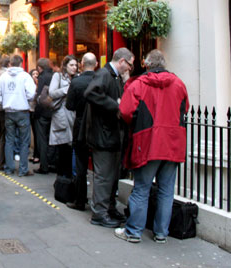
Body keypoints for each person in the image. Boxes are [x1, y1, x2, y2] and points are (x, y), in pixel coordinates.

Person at [114, 50, 189, 244]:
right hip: (173, 142)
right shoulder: (179, 83)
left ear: (146, 65)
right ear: (163, 64)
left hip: (148, 141)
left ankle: (133, 231)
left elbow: (126, 111)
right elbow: (185, 108)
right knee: (166, 190)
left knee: (141, 189)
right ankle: (161, 233)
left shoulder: (139, 84)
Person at [83, 47, 134, 228]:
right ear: (121, 61)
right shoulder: (104, 74)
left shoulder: (113, 77)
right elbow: (90, 93)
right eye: (129, 65)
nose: (129, 69)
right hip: (103, 135)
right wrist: (115, 106)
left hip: (110, 135)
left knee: (111, 176)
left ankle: (109, 209)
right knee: (104, 176)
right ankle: (99, 213)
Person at [0, 54, 37, 177]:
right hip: (22, 112)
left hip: (8, 112)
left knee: (9, 140)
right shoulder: (25, 76)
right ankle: (23, 169)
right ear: (21, 63)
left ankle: (9, 168)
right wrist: (24, 99)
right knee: (24, 141)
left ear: (10, 64)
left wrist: (5, 102)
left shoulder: (3, 77)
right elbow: (32, 93)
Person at [65, 52, 98, 211]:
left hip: (80, 125)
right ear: (96, 64)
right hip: (98, 126)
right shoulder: (101, 80)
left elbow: (69, 106)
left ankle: (80, 200)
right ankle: (99, 202)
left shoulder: (77, 82)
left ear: (82, 64)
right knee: (99, 167)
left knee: (80, 165)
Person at [48, 55, 78, 178]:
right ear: (65, 66)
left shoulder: (77, 77)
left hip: (74, 116)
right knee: (63, 149)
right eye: (71, 65)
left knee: (72, 148)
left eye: (76, 65)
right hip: (62, 116)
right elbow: (52, 92)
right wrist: (67, 89)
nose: (74, 68)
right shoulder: (58, 76)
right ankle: (63, 180)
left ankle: (70, 177)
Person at [33, 58, 54, 174]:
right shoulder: (54, 75)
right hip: (52, 111)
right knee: (51, 139)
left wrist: (36, 113)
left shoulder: (42, 77)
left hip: (42, 113)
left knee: (42, 140)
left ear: (39, 68)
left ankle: (44, 165)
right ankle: (52, 163)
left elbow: (40, 97)